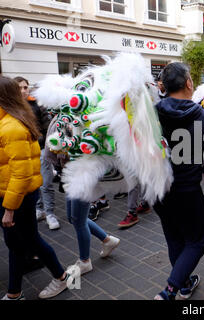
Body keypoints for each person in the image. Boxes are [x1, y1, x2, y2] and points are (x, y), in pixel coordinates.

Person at [153, 62, 204, 300]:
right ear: (189, 83)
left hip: (158, 191)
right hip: (188, 192)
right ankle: (169, 290)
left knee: (175, 238)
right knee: (197, 240)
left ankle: (184, 283)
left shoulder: (150, 116)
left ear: (164, 87)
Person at [0, 76, 70, 300]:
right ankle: (15, 292)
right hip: (16, 194)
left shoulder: (11, 126)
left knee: (28, 241)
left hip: (17, 197)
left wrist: (9, 209)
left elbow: (20, 173)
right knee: (20, 243)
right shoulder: (10, 120)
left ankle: (59, 278)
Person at [44, 116, 120, 275]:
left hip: (84, 174)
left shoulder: (83, 116)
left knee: (78, 220)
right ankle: (107, 240)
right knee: (73, 217)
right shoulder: (62, 116)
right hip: (71, 174)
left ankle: (85, 261)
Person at [14, 77, 59, 230]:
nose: (23, 91)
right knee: (33, 185)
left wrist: (45, 144)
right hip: (23, 153)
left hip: (40, 149)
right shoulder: (11, 108)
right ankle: (39, 209)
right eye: (19, 88)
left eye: (25, 87)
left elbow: (47, 127)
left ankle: (50, 213)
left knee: (45, 182)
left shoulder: (37, 105)